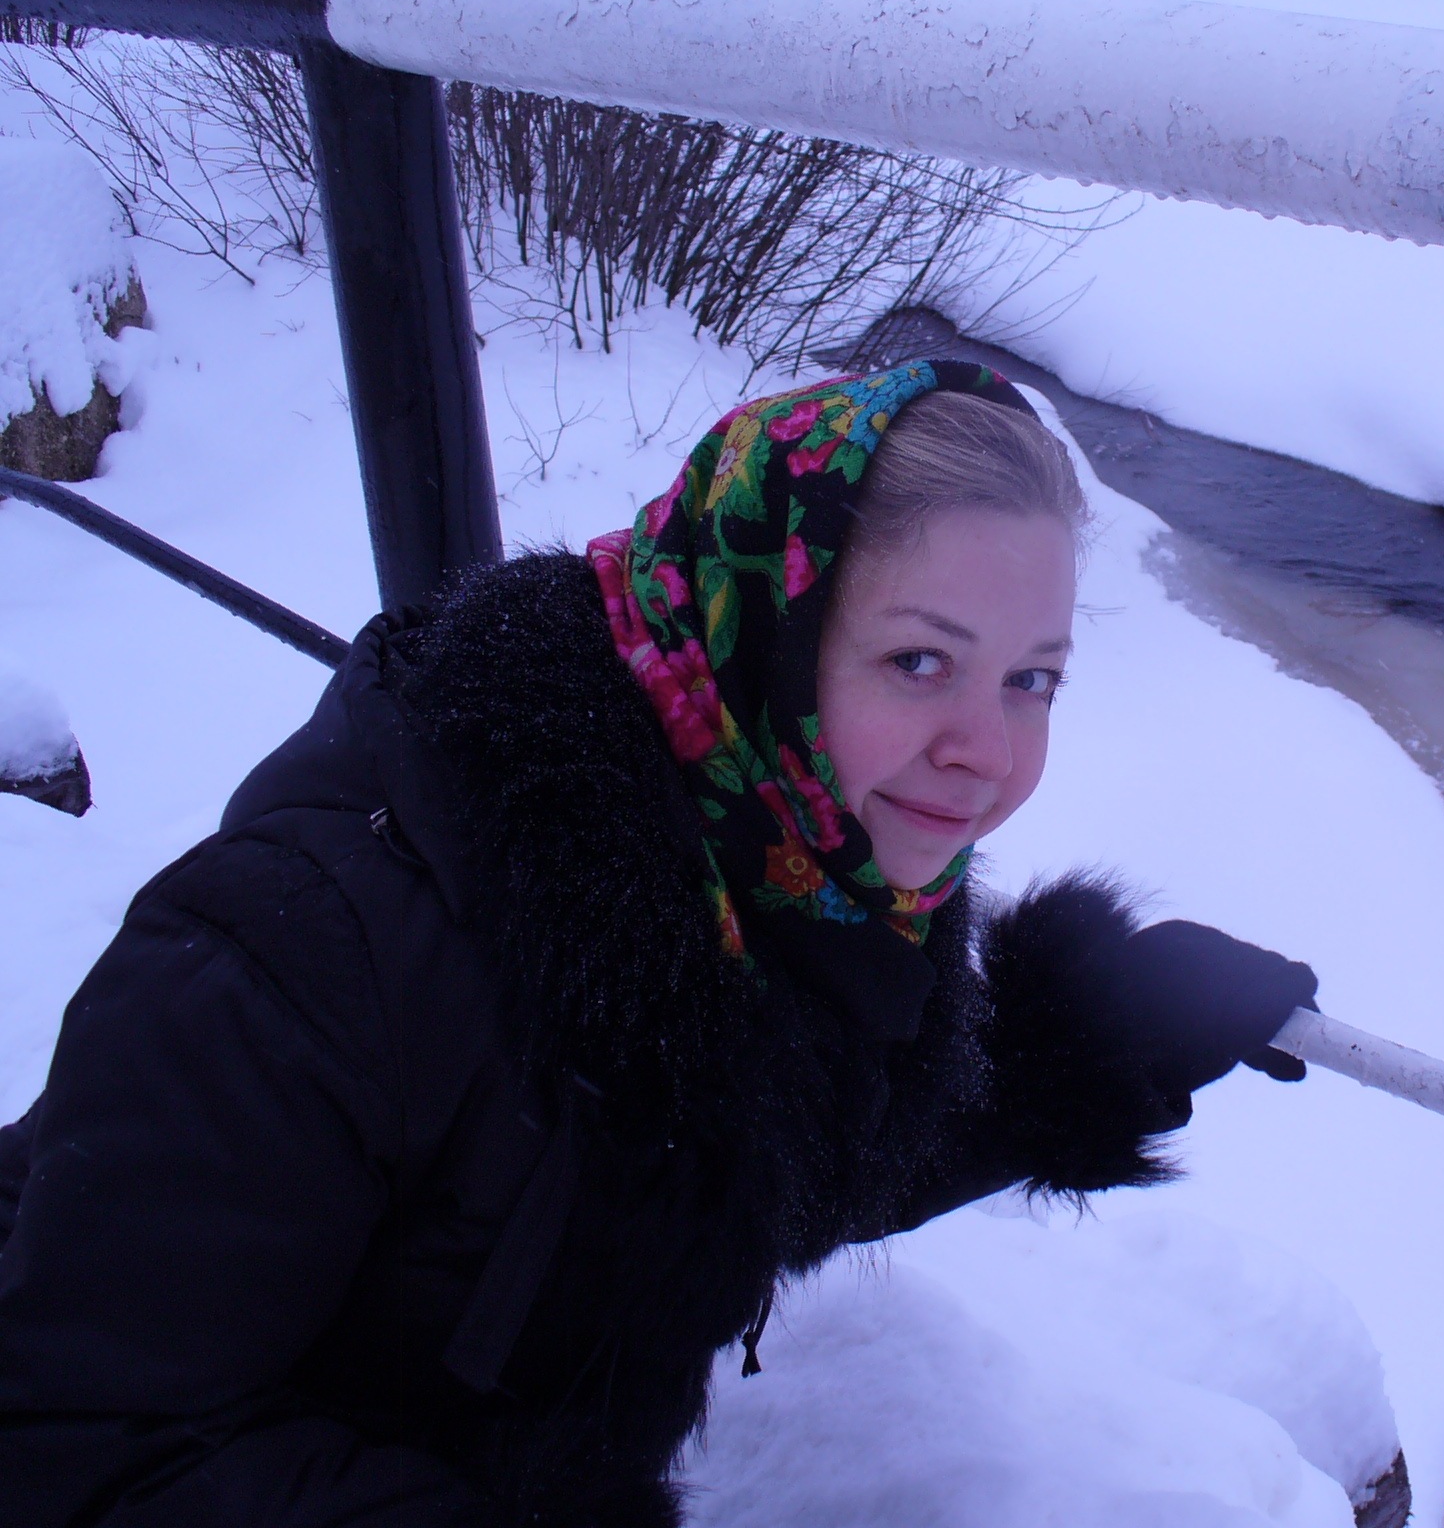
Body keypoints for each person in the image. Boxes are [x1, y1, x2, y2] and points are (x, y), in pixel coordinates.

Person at [0, 361, 1319, 1527]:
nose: (989, 753)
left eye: (1031, 679)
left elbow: (739, 1169)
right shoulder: (313, 947)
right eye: (922, 661)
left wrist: (1069, 1057)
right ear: (766, 631)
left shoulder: (788, 872)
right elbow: (81, 1452)